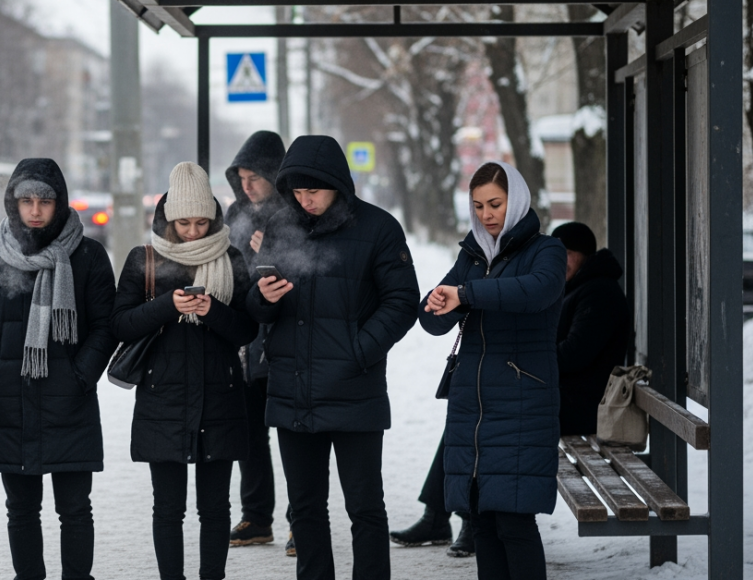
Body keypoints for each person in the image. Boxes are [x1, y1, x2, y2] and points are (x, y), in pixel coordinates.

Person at [248, 135, 420, 580]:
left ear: (337, 185)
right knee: (304, 508)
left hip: (353, 389)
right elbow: (257, 303)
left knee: (364, 507)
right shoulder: (281, 227)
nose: (305, 201)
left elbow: (402, 301)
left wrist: (358, 352)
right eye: (297, 192)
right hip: (292, 389)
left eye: (314, 191)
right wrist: (263, 299)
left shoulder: (379, 228)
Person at [0, 158, 117, 580]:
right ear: (12, 203)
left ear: (59, 203)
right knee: (21, 509)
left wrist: (81, 374)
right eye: (25, 200)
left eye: (44, 201)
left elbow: (105, 326)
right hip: (13, 401)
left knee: (75, 508)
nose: (34, 210)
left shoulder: (87, 255)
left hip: (71, 402)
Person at [419, 162, 566, 580]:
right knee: (481, 518)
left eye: (496, 204)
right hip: (474, 408)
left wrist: (466, 294)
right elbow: (432, 320)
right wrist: (435, 303)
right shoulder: (472, 256)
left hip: (523, 401)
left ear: (516, 200)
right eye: (479, 205)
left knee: (514, 520)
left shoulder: (546, 250)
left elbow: (535, 291)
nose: (487, 214)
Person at [112, 162, 259, 580]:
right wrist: (166, 306)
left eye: (201, 222)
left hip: (221, 397)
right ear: (168, 219)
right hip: (164, 398)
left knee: (216, 508)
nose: (193, 232)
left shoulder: (231, 259)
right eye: (184, 223)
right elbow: (119, 324)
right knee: (168, 508)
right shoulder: (145, 260)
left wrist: (213, 310)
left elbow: (248, 329)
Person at [222, 131, 292, 553]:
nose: (247, 186)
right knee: (248, 434)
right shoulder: (235, 213)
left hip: (282, 339)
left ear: (274, 175)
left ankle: (299, 521)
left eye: (255, 177)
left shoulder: (294, 212)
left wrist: (272, 251)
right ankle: (256, 517)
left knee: (290, 435)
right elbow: (229, 266)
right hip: (243, 339)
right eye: (242, 177)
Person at [550, 221, 631, 435]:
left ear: (584, 254)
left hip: (581, 408)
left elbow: (575, 353)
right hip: (566, 401)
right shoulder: (576, 289)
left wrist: (531, 359)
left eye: (567, 252)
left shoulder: (598, 292)